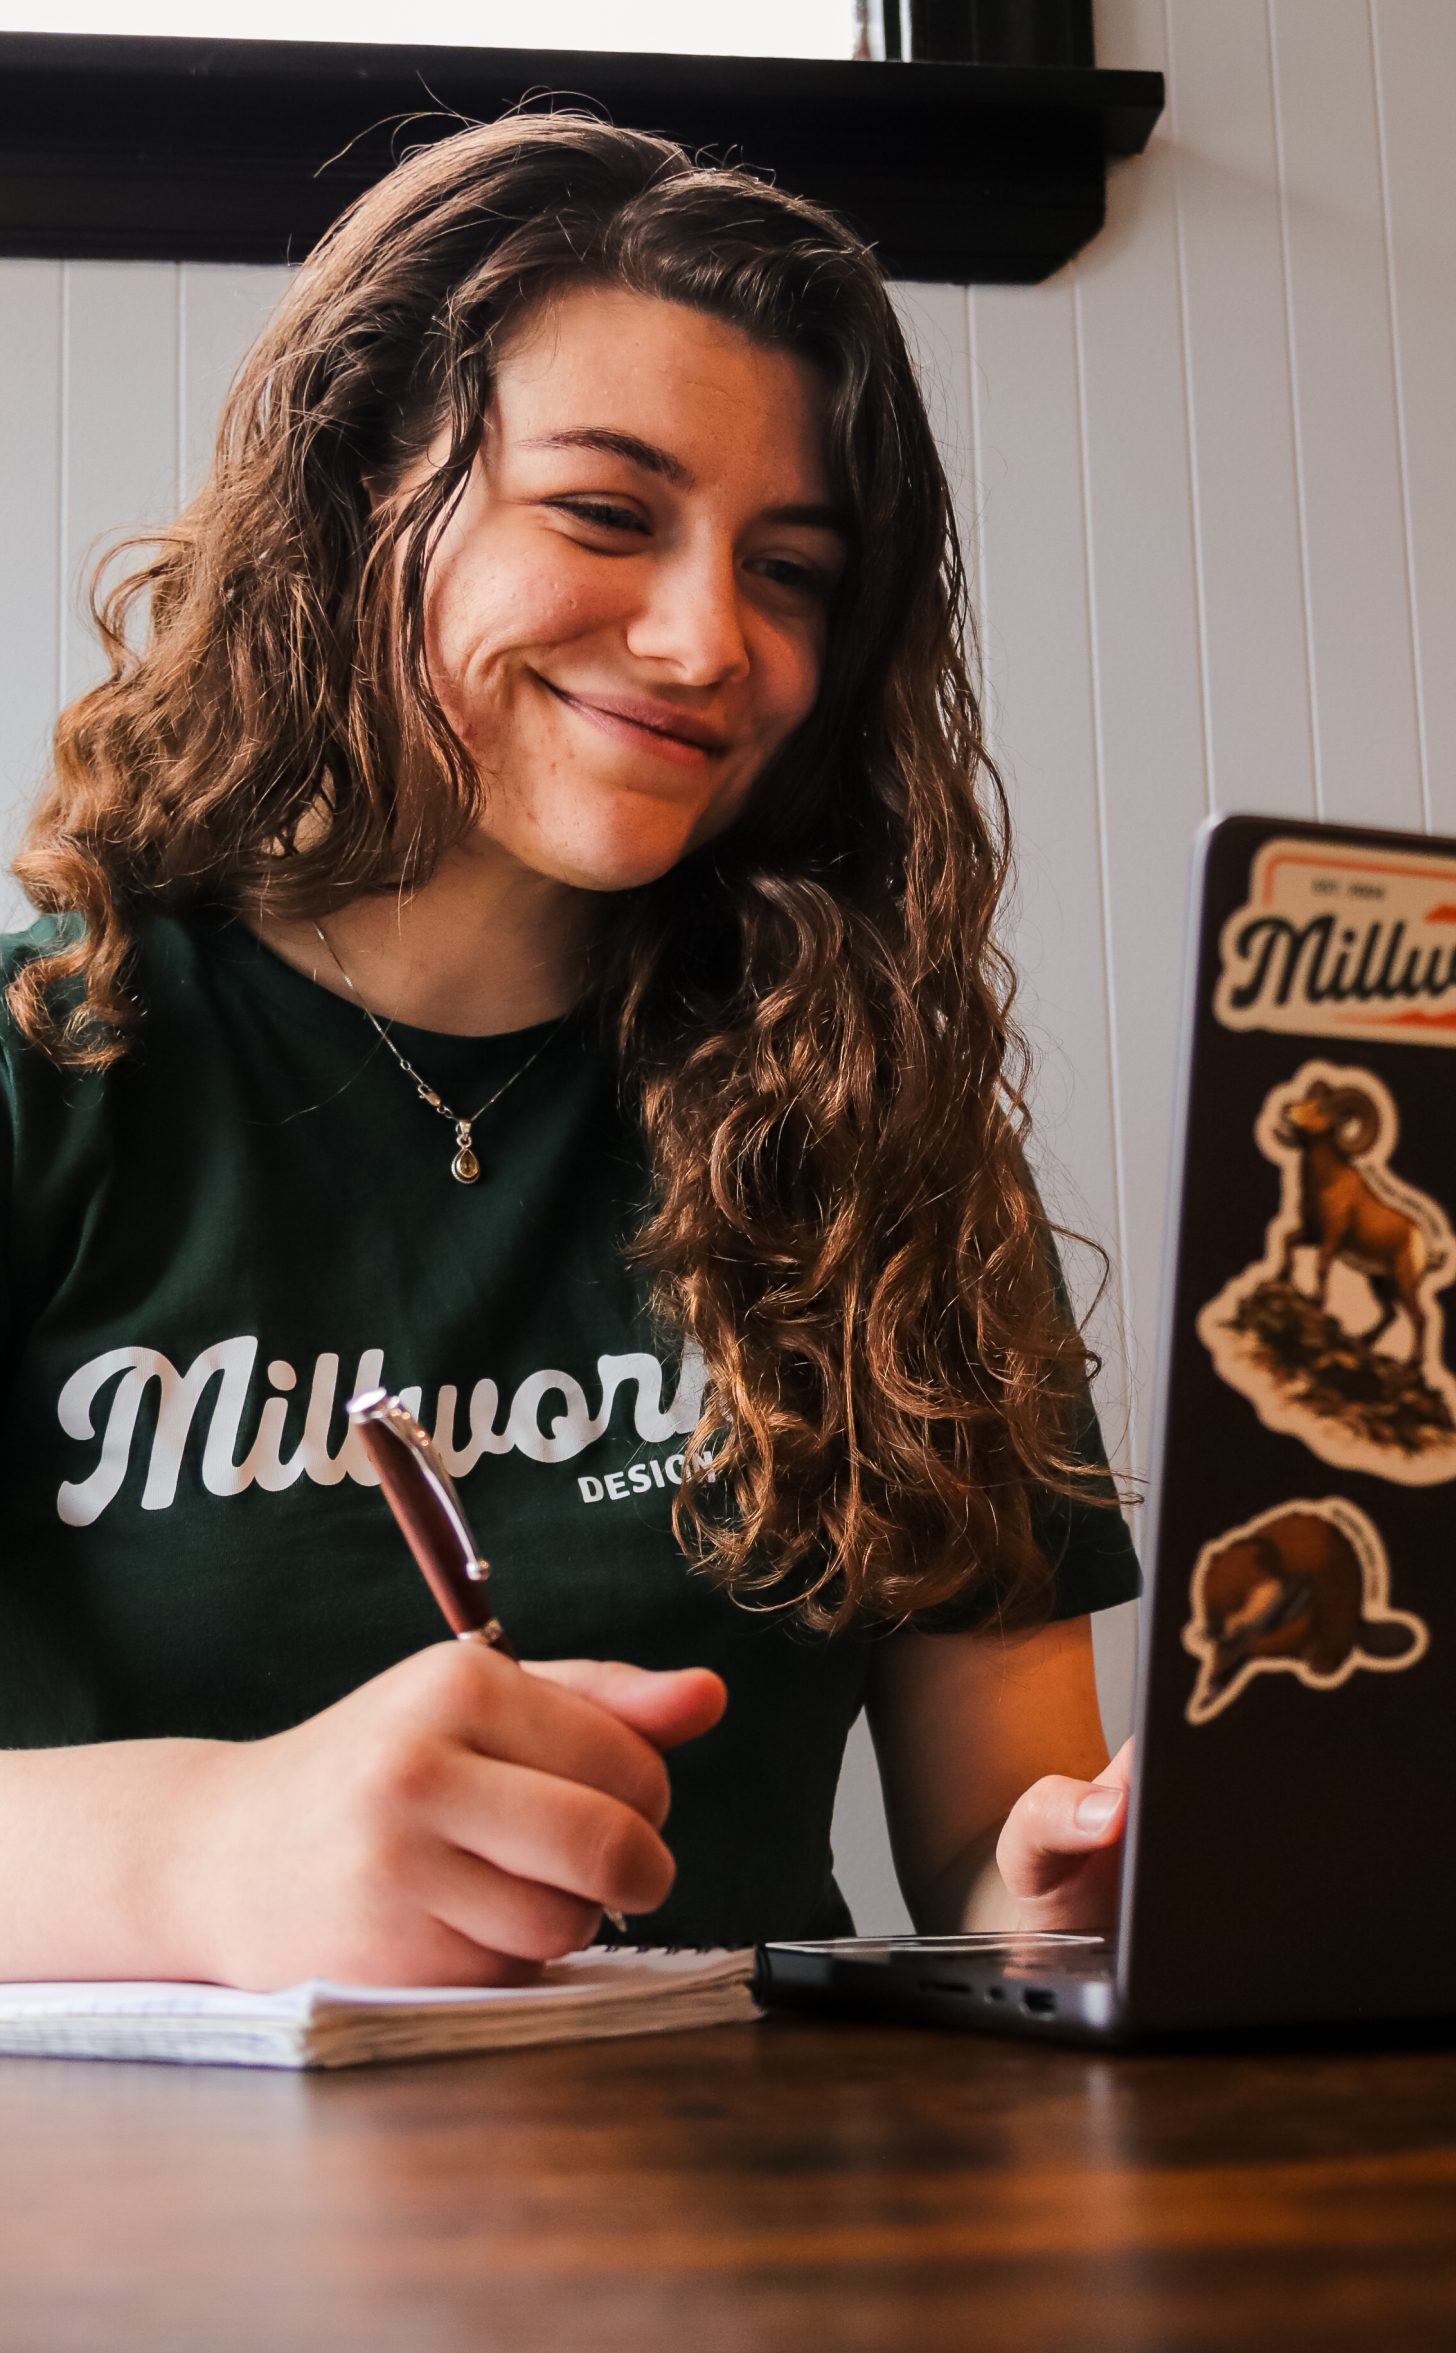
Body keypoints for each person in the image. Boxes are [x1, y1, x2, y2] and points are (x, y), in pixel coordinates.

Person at [0, 112, 1140, 1990]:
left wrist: (1073, 1891)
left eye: (792, 572)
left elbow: (990, 1865)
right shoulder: (54, 1061)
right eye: (606, 513)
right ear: (364, 488)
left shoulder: (876, 1131)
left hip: (764, 2227)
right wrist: (203, 1852)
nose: (708, 640)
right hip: (134, 2240)